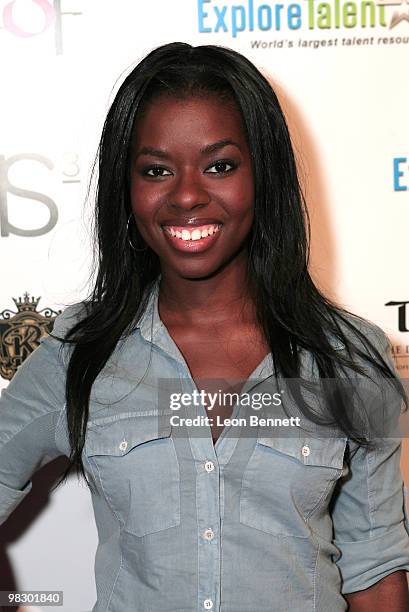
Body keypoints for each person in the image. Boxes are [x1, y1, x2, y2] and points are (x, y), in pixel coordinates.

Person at [1, 41, 409, 611]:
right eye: (156, 170)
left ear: (263, 174)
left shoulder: (351, 357)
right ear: (128, 187)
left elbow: (376, 567)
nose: (188, 194)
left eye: (220, 166)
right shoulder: (81, 351)